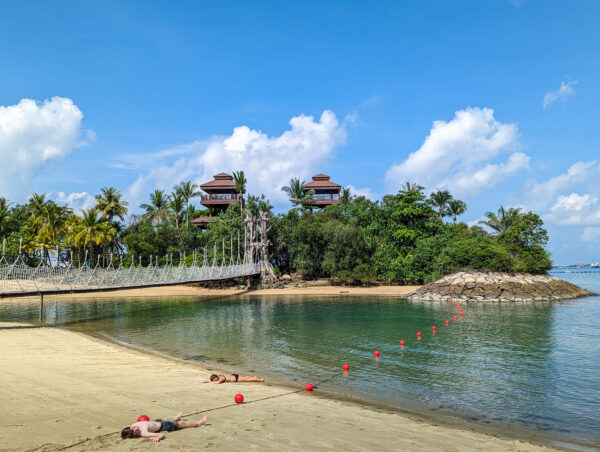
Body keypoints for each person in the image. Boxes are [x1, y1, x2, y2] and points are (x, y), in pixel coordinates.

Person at [121, 411, 207, 442]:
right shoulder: (144, 433)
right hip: (164, 427)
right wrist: (158, 438)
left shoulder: (130, 427)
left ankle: (176, 418)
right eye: (135, 430)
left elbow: (125, 433)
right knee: (181, 424)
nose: (135, 427)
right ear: (135, 435)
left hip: (157, 422)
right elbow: (162, 435)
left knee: (166, 419)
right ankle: (198, 423)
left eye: (133, 427)